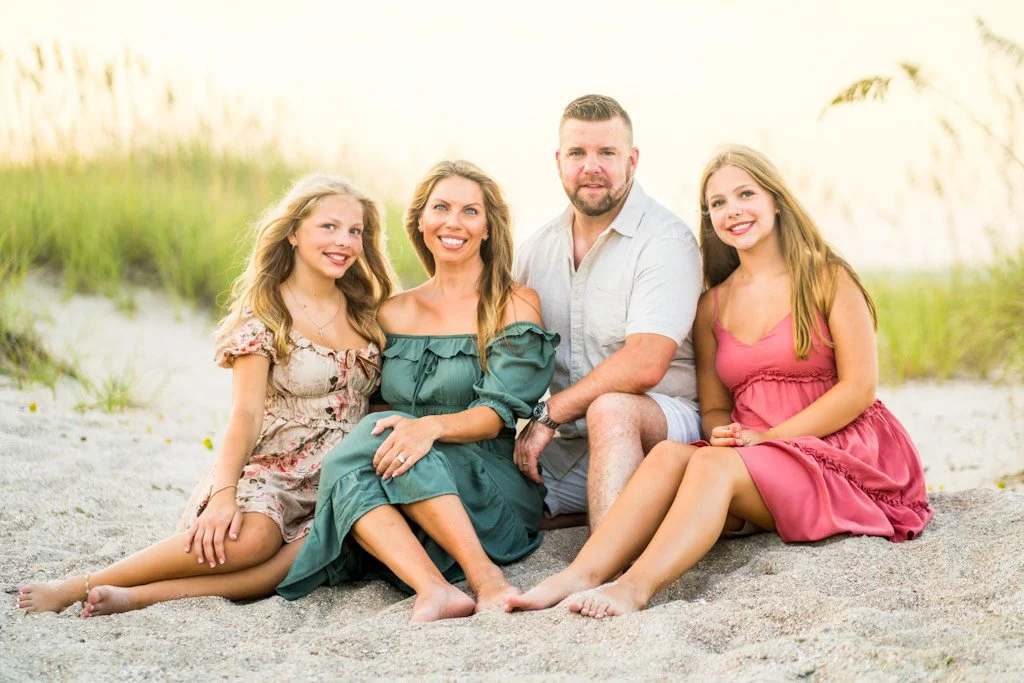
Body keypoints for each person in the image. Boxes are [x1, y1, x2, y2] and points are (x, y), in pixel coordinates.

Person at [509, 144, 933, 618]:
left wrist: (769, 437)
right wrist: (722, 434)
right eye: (717, 204)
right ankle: (581, 572)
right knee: (672, 454)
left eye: (744, 194)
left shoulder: (826, 278)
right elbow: (713, 408)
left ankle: (634, 589)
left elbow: (859, 390)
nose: (732, 211)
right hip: (755, 457)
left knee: (712, 468)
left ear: (775, 199)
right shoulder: (712, 305)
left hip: (836, 451)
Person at [16, 173, 396, 617]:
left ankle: (137, 598)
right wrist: (223, 495)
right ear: (293, 232)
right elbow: (246, 414)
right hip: (274, 465)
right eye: (328, 227)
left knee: (296, 560)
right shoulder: (266, 316)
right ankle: (80, 585)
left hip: (340, 472)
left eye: (355, 231)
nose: (345, 241)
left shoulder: (369, 312)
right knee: (253, 540)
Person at [276, 160, 558, 623]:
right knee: (370, 450)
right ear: (421, 222)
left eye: (470, 212)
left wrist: (425, 428)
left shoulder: (513, 303)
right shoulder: (392, 311)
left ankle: (486, 579)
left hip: (488, 488)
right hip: (401, 479)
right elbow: (360, 396)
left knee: (396, 436)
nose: (453, 222)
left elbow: (495, 414)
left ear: (488, 228)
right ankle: (433, 588)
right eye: (441, 208)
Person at [513, 94, 703, 530]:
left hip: (660, 422)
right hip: (567, 440)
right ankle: (598, 513)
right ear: (559, 161)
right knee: (493, 499)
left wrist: (550, 413)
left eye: (607, 153)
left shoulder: (664, 240)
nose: (591, 166)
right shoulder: (536, 251)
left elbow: (645, 363)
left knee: (610, 409)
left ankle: (603, 565)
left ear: (632, 160)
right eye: (578, 153)